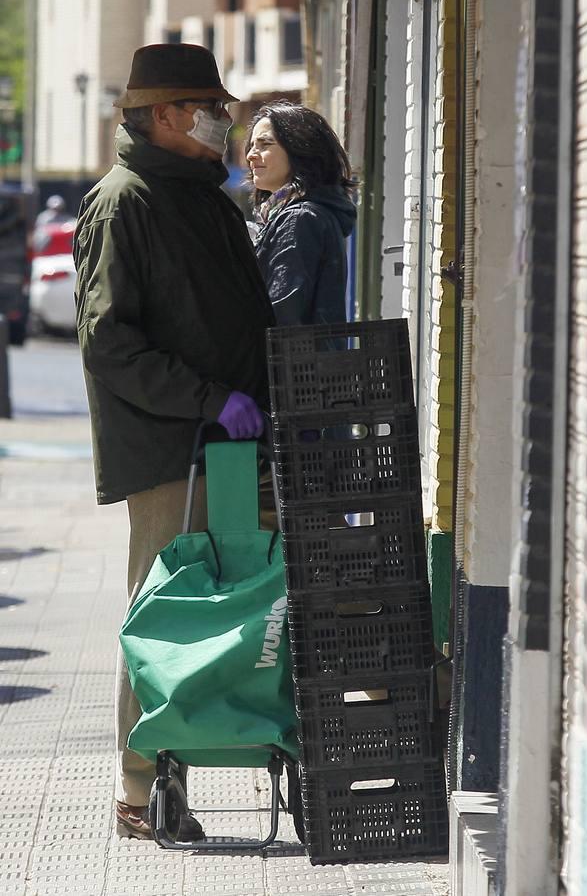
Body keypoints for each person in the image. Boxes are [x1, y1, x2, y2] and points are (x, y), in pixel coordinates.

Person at [73, 43, 276, 841]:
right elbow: (109, 342)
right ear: (162, 114)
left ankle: (181, 765)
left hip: (226, 442)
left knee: (216, 614)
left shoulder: (200, 196)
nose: (222, 120)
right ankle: (138, 787)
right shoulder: (126, 200)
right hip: (171, 450)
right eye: (208, 107)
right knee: (161, 615)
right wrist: (207, 400)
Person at [245, 101, 356, 326]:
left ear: (299, 150)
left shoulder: (300, 219)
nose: (251, 155)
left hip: (291, 360)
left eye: (265, 144)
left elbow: (282, 313)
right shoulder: (305, 213)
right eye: (251, 145)